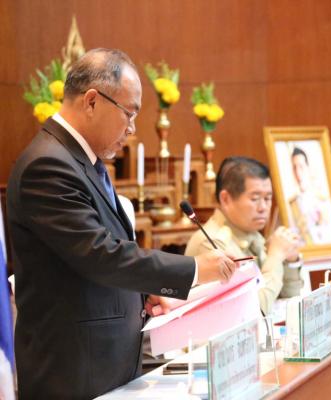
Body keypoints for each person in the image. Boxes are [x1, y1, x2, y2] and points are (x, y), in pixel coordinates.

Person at [6, 48, 236, 399]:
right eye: (129, 113)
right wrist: (193, 270)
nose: (132, 128)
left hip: (102, 365)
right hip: (73, 373)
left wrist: (141, 292)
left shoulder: (79, 160)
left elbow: (84, 261)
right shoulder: (48, 166)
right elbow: (101, 255)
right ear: (92, 101)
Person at [185, 156, 303, 316]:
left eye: (268, 198)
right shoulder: (211, 242)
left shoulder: (252, 234)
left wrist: (290, 260)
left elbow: (290, 299)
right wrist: (275, 256)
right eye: (255, 198)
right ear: (226, 199)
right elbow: (254, 310)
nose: (263, 207)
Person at [289, 147, 331, 245]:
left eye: (301, 167)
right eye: (294, 168)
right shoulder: (291, 204)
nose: (298, 172)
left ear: (308, 168)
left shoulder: (321, 199)